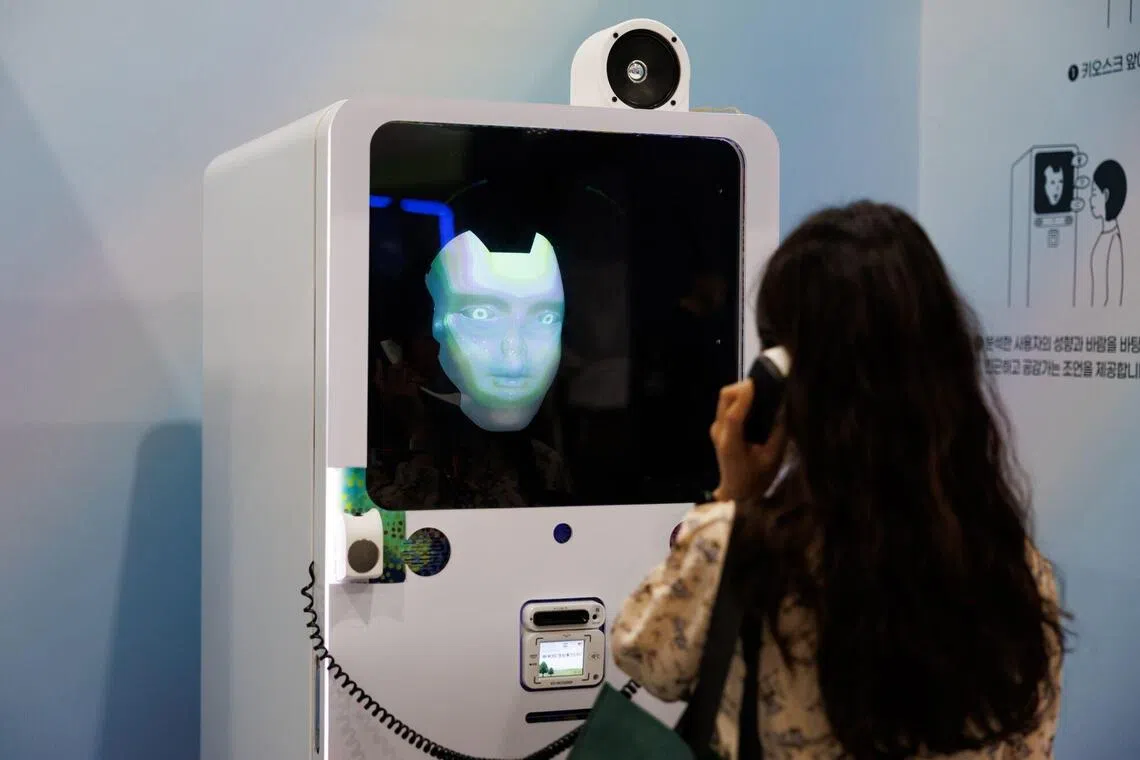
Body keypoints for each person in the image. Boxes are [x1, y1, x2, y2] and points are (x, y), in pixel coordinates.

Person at [611, 202, 1067, 759]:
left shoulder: (737, 551)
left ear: (781, 377)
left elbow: (640, 653)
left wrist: (733, 494)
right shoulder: (1017, 573)